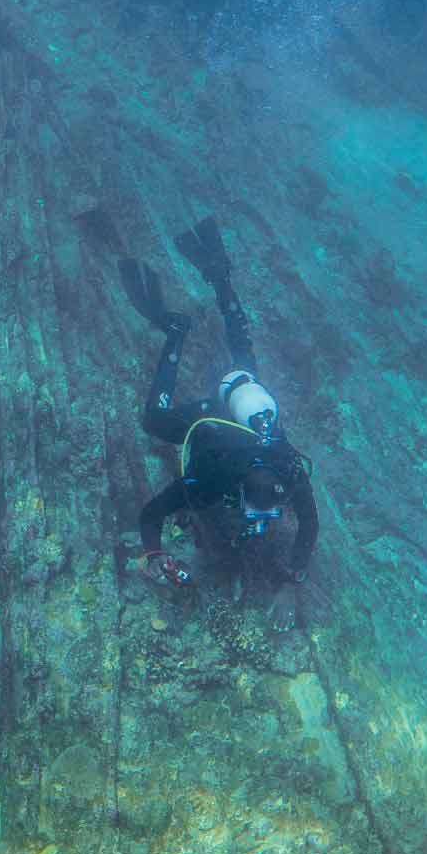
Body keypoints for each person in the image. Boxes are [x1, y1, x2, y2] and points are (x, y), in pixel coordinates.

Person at [118, 216, 319, 587]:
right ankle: (177, 331)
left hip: (251, 406)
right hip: (215, 418)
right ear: (236, 490)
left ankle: (220, 277)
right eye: (257, 514)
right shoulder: (212, 478)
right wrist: (154, 553)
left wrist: (296, 566)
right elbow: (152, 513)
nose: (260, 523)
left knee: (244, 362)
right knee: (153, 420)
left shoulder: (289, 471)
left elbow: (310, 522)